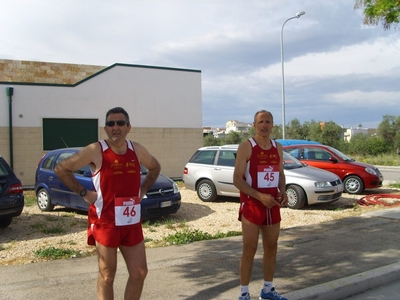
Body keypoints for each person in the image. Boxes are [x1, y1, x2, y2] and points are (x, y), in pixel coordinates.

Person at [54, 106, 161, 300]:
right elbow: (62, 168)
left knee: (139, 272)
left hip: (130, 222)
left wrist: (143, 190)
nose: (116, 127)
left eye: (120, 123)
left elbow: (155, 167)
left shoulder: (136, 149)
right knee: (107, 274)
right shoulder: (96, 150)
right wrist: (84, 193)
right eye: (111, 123)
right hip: (106, 222)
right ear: (105, 128)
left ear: (129, 127)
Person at [233, 110, 288, 300]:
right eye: (261, 122)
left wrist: (283, 190)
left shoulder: (278, 147)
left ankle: (268, 290)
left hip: (272, 204)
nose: (264, 125)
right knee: (249, 249)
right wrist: (259, 196)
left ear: (273, 125)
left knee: (271, 247)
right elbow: (237, 180)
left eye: (268, 122)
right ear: (254, 125)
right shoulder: (246, 147)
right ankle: (244, 293)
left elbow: (280, 173)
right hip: (252, 204)